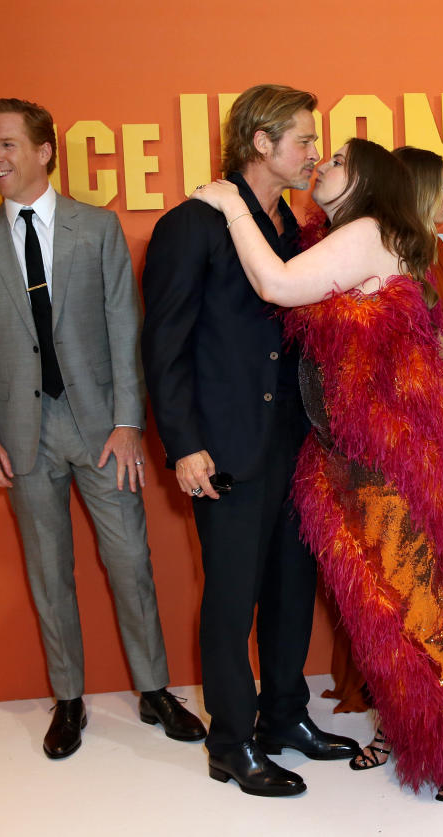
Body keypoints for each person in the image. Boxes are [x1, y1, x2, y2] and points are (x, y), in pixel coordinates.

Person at [190, 137, 443, 803]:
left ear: (371, 181)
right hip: (360, 457)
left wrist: (231, 204)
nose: (325, 165)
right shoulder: (343, 233)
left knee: (425, 609)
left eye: (342, 162)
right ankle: (422, 735)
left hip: (398, 459)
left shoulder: (371, 231)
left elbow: (277, 284)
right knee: (393, 611)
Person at [0, 97, 205, 760]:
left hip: (101, 432)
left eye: (6, 145)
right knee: (48, 570)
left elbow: (126, 328)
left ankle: (153, 688)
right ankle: (67, 698)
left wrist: (126, 423)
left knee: (130, 562)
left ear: (43, 151)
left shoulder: (97, 228)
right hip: (21, 439)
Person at [141, 84, 358, 799]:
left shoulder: (294, 226)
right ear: (261, 142)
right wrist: (182, 445)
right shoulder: (192, 224)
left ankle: (283, 718)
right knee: (232, 599)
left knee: (292, 590)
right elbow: (163, 347)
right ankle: (230, 741)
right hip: (225, 447)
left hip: (295, 445)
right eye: (303, 138)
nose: (313, 151)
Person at [322, 145, 443, 718]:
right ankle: (398, 711)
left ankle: (440, 720)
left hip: (423, 441)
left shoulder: (430, 253)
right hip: (376, 444)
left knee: (424, 586)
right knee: (386, 582)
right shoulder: (382, 247)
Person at [395, 145, 443, 359]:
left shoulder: (436, 246)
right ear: (418, 192)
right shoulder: (386, 253)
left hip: (439, 382)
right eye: (442, 187)